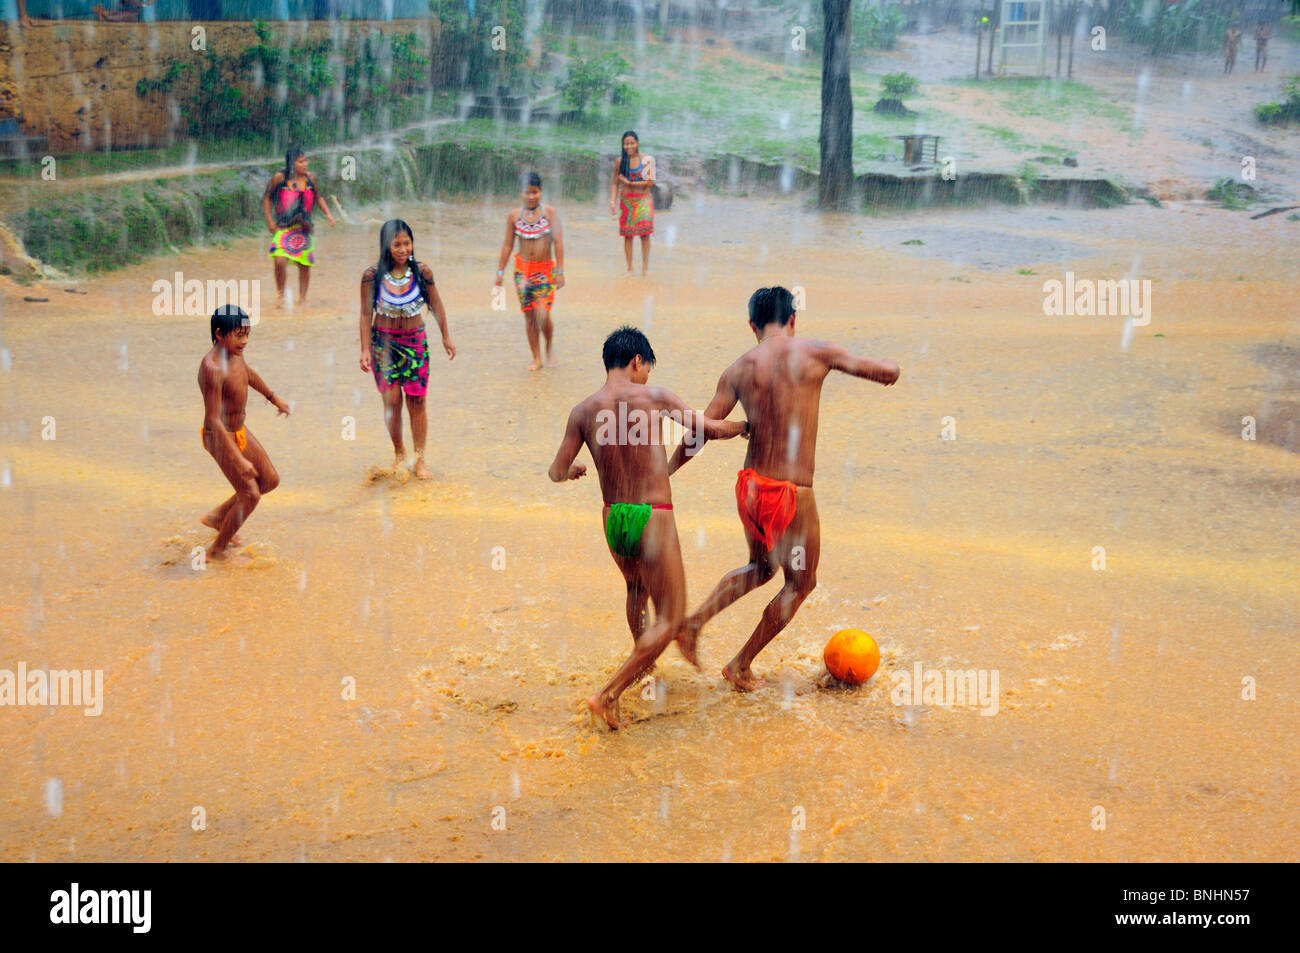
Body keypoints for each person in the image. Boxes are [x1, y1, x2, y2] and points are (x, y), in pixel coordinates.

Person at [668, 287, 900, 691]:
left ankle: (693, 623)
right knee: (801, 583)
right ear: (793, 320)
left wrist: (667, 471)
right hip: (789, 493)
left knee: (761, 567)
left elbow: (700, 432)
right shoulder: (817, 352)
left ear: (753, 326)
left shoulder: (738, 369)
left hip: (750, 487)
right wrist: (892, 365)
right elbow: (886, 373)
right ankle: (740, 664)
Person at [548, 325, 746, 729]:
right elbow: (710, 428)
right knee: (672, 618)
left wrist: (574, 471)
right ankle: (608, 694)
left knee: (636, 589)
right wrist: (747, 426)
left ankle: (641, 663)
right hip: (652, 513)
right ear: (638, 361)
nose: (646, 377)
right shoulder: (653, 397)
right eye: (646, 369)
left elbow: (555, 471)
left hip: (614, 517)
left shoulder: (582, 411)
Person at [359, 219, 455, 481]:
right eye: (397, 244)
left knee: (418, 401)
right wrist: (365, 349)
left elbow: (437, 305)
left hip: (414, 344)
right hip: (383, 346)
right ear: (385, 246)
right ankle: (399, 453)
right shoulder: (372, 276)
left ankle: (420, 460)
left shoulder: (422, 273)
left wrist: (446, 336)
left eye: (407, 243)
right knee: (391, 403)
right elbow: (366, 314)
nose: (403, 249)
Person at [198, 305, 289, 560]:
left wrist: (273, 398)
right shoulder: (212, 368)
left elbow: (247, 374)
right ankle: (215, 551)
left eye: (247, 334)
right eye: (239, 335)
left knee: (269, 480)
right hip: (219, 437)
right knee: (250, 494)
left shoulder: (235, 353)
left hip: (238, 430)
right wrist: (238, 459)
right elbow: (213, 419)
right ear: (219, 334)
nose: (245, 341)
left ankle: (218, 517)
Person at [494, 172, 565, 371]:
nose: (531, 196)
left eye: (535, 192)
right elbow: (508, 245)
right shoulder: (514, 216)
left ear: (541, 192)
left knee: (542, 313)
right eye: (528, 192)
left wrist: (560, 271)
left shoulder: (550, 213)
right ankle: (536, 357)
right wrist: (500, 272)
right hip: (522, 272)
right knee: (529, 316)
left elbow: (558, 243)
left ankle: (549, 347)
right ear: (521, 193)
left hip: (544, 271)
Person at [262, 148, 335, 309]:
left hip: (304, 228)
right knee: (279, 260)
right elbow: (267, 198)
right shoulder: (279, 178)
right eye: (301, 161)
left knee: (304, 265)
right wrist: (269, 221)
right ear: (292, 163)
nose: (305, 164)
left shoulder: (310, 179)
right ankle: (280, 295)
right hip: (284, 226)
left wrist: (328, 214)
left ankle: (302, 299)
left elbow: (318, 197)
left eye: (305, 161)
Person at [609, 131, 655, 276]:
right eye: (626, 143)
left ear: (638, 143)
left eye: (632, 143)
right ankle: (629, 268)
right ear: (623, 145)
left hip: (643, 201)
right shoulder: (620, 161)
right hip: (627, 202)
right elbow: (615, 183)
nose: (629, 146)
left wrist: (630, 183)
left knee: (645, 235)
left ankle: (645, 268)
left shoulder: (647, 160)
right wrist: (612, 201)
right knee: (628, 236)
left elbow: (650, 182)